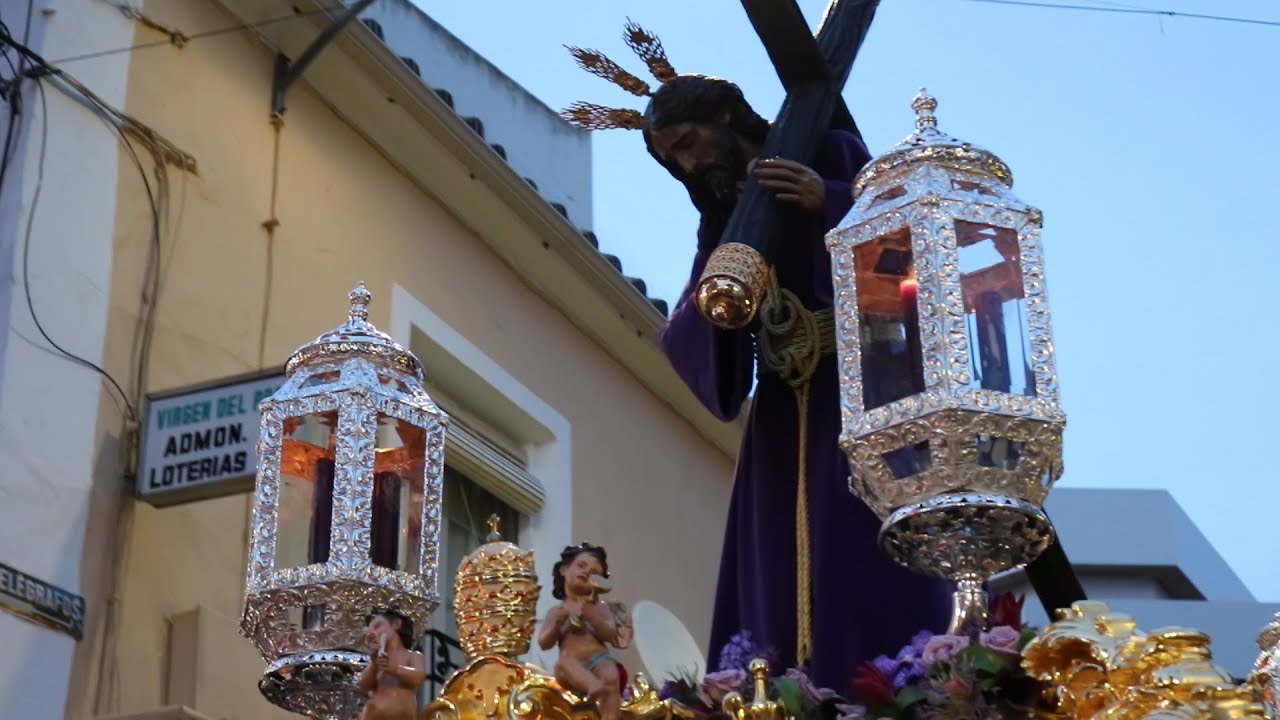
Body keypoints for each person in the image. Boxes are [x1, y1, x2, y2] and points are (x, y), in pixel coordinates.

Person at [561, 23, 952, 691]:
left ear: (724, 117)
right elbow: (695, 320)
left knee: (852, 554)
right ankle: (777, 693)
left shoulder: (827, 148)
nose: (687, 166)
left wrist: (828, 202)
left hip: (855, 397)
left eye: (687, 143)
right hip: (778, 416)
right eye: (669, 158)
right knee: (776, 570)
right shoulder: (724, 218)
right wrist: (717, 308)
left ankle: (881, 684)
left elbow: (911, 247)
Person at [539, 543, 630, 720]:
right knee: (563, 664)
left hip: (599, 659)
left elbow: (612, 635)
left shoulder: (600, 608)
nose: (587, 572)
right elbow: (544, 643)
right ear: (564, 570)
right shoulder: (557, 611)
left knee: (610, 674)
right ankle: (592, 685)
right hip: (572, 666)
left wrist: (594, 618)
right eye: (581, 565)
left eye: (595, 572)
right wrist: (556, 625)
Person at [358, 609, 427, 720]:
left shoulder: (412, 655)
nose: (373, 633)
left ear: (396, 624)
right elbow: (364, 684)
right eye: (370, 631)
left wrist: (395, 669)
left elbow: (418, 676)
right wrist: (374, 665)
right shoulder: (377, 660)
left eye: (377, 626)